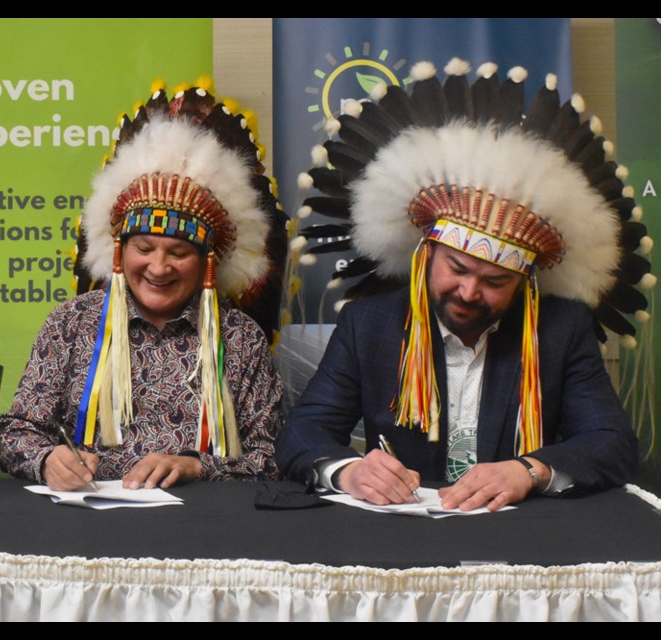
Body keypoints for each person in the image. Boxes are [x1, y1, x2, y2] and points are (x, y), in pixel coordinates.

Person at [277, 59, 647, 511]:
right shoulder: (368, 324)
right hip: (400, 537)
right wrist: (348, 470)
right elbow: (302, 431)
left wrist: (528, 470)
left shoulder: (561, 329)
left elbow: (612, 443)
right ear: (425, 255)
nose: (470, 292)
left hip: (519, 539)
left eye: (494, 280)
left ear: (524, 282)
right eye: (457, 268)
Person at [0, 82, 286, 491]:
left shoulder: (240, 339)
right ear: (120, 251)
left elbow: (270, 455)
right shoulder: (72, 324)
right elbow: (17, 432)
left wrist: (197, 467)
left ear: (207, 261)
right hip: (86, 523)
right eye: (145, 248)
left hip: (203, 530)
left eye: (179, 253)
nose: (158, 267)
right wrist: (48, 460)